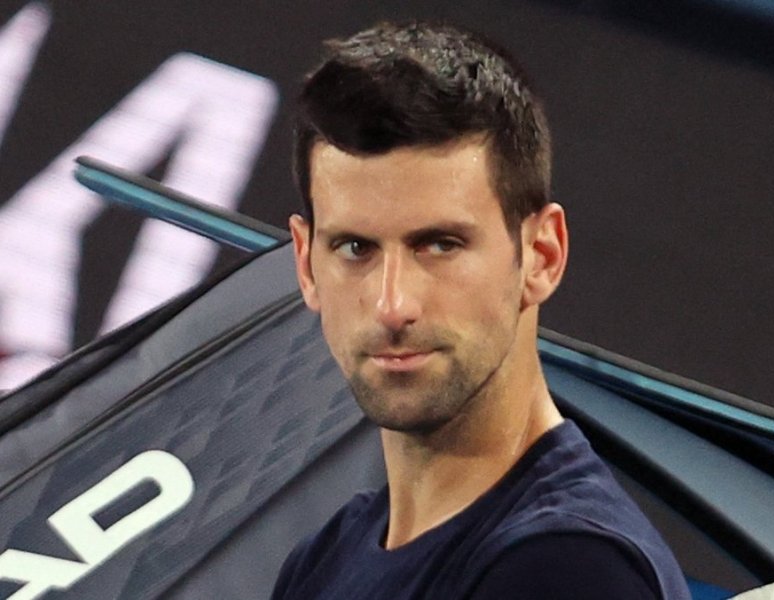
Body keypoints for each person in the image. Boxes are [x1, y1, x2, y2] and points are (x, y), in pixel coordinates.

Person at [273, 20, 691, 599]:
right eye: (355, 248)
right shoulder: (324, 558)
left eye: (440, 244)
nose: (394, 305)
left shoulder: (570, 571)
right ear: (305, 264)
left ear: (542, 255)